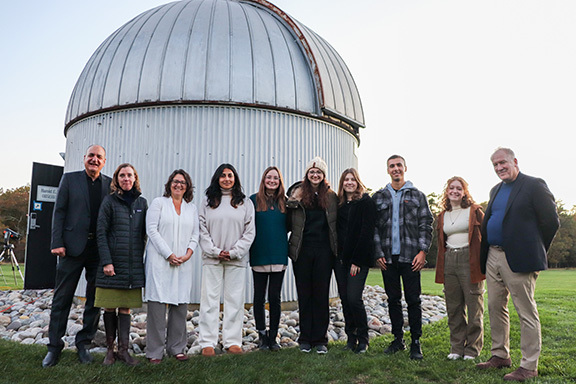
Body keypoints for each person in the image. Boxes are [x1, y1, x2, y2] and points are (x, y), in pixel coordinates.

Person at [476, 148, 559, 382]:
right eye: (495, 165)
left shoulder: (534, 185)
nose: (499, 167)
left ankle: (529, 366)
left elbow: (551, 221)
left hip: (520, 259)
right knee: (495, 306)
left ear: (515, 161)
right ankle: (500, 355)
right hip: (493, 255)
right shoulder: (496, 189)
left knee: (525, 311)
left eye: (503, 162)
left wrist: (534, 248)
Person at [43, 144, 111, 368]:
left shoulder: (109, 184)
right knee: (62, 299)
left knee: (94, 300)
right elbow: (59, 212)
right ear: (84, 158)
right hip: (71, 249)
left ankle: (84, 343)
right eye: (91, 155)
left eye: (98, 157)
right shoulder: (70, 180)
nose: (94, 159)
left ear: (104, 161)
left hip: (97, 251)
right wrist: (57, 243)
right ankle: (54, 347)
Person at [373, 155, 433, 360]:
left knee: (414, 300)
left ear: (405, 168)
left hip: (411, 258)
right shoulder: (379, 197)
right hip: (388, 258)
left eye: (399, 165)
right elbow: (374, 228)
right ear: (387, 170)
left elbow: (426, 224)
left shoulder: (417, 195)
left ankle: (416, 342)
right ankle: (398, 339)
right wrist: (378, 253)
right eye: (392, 166)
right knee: (393, 300)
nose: (396, 169)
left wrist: (423, 251)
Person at [198, 164, 255, 356]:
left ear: (235, 179)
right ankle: (208, 341)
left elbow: (249, 232)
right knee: (209, 300)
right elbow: (202, 230)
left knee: (234, 301)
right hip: (212, 259)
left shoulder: (244, 203)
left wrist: (234, 251)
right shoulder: (208, 202)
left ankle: (232, 341)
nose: (227, 179)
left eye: (230, 176)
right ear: (217, 178)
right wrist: (215, 251)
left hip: (236, 259)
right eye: (223, 176)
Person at [145, 170, 199, 363]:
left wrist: (188, 254)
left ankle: (176, 347)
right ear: (169, 184)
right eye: (175, 181)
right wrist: (168, 253)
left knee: (180, 306)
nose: (179, 185)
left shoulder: (191, 208)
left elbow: (195, 234)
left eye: (183, 182)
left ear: (187, 186)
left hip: (183, 262)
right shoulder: (159, 203)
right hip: (160, 261)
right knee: (157, 308)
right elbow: (151, 229)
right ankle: (154, 351)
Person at [96, 163, 148, 366]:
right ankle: (110, 351)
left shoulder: (142, 203)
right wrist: (107, 262)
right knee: (109, 308)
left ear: (135, 179)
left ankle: (124, 351)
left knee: (125, 309)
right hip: (112, 264)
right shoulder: (109, 202)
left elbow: (144, 234)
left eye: (130, 175)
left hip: (132, 267)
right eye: (122, 175)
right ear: (116, 179)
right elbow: (101, 233)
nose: (126, 179)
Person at [287, 156, 338, 355]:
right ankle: (305, 339)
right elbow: (288, 220)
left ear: (324, 176)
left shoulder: (332, 197)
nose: (315, 175)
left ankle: (320, 339)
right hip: (302, 251)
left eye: (319, 172)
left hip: (324, 252)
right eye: (311, 172)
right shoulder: (298, 194)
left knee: (321, 295)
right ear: (307, 175)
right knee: (304, 295)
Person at [435, 176, 485, 360]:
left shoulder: (474, 211)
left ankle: (472, 349)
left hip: (469, 259)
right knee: (453, 307)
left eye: (459, 188)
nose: (455, 191)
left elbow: (486, 235)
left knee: (474, 306)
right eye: (451, 188)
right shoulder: (442, 216)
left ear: (465, 192)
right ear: (446, 192)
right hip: (449, 260)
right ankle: (456, 348)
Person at [335, 168, 376, 354]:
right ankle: (350, 338)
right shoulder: (340, 204)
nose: (349, 182)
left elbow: (366, 233)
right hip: (340, 260)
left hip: (358, 261)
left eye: (352, 179)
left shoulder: (365, 202)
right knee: (344, 299)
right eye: (346, 180)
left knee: (354, 298)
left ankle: (363, 339)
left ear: (358, 182)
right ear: (342, 183)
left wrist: (357, 261)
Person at [249, 166, 289, 352]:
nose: (272, 181)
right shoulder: (253, 200)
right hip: (259, 254)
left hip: (279, 254)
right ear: (264, 180)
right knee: (259, 297)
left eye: (275, 178)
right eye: (269, 177)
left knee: (275, 297)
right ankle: (262, 335)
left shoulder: (286, 203)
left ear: (279, 181)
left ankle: (273, 337)